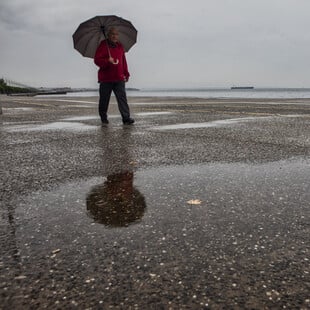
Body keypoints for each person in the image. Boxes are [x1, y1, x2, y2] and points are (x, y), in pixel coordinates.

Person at [94, 27, 135, 125]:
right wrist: (107, 61)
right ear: (108, 35)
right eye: (112, 34)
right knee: (104, 100)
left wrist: (126, 73)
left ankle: (126, 118)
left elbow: (123, 61)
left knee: (122, 99)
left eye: (116, 34)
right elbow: (97, 60)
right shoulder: (103, 45)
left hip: (119, 77)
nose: (114, 36)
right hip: (106, 78)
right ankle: (103, 118)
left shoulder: (120, 46)